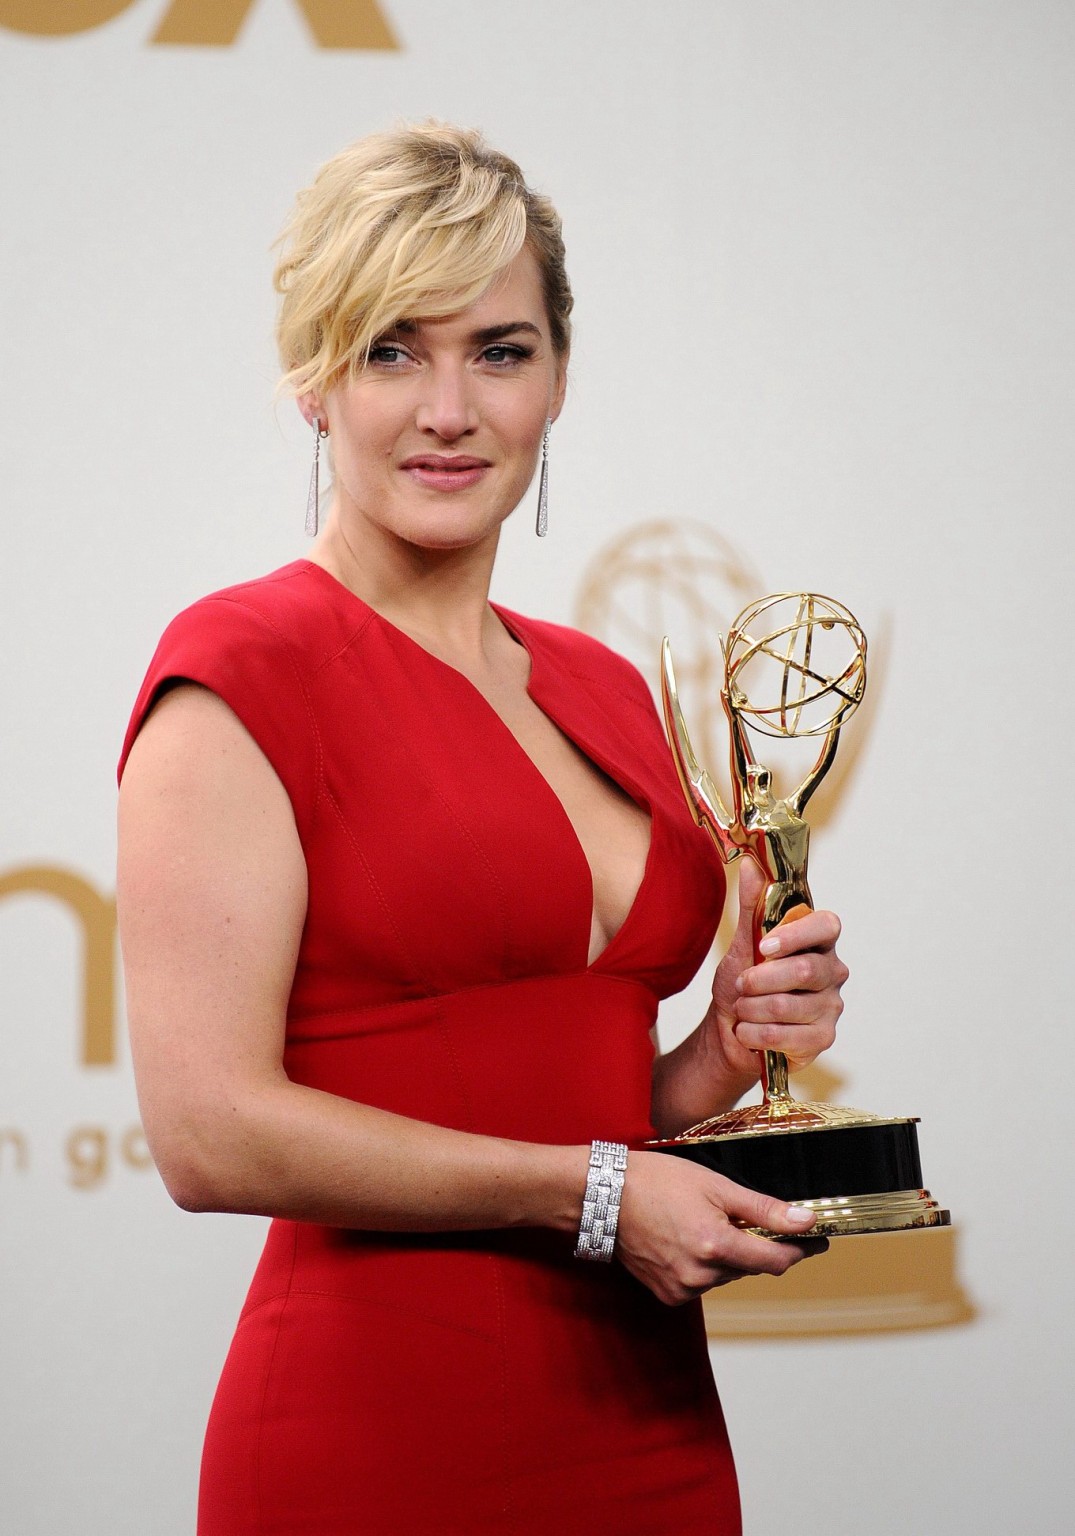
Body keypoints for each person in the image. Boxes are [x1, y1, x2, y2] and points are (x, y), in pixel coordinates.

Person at [116, 124, 848, 1536]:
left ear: (559, 378)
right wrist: (593, 1195)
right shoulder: (241, 669)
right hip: (373, 1434)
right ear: (314, 381)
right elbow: (209, 1133)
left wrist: (722, 1052)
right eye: (393, 348)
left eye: (500, 351)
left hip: (648, 1429)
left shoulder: (605, 686)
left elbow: (589, 1109)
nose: (449, 408)